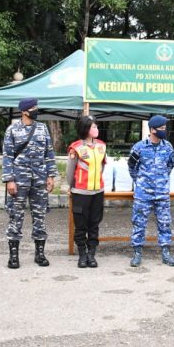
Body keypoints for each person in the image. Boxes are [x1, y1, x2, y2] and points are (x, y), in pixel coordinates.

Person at [2, 98, 57, 269]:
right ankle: (13, 256)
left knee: (40, 216)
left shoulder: (42, 128)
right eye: (33, 107)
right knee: (15, 217)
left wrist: (51, 176)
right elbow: (7, 156)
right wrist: (9, 180)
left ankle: (39, 254)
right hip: (19, 180)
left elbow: (49, 153)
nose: (36, 109)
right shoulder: (12, 129)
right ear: (24, 111)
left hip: (39, 179)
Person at [127, 115, 174, 267]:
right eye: (161, 128)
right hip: (143, 194)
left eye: (164, 128)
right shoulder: (139, 147)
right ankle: (137, 252)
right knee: (139, 223)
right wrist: (141, 182)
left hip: (162, 193)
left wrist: (160, 180)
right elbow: (131, 168)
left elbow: (170, 165)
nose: (164, 130)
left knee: (165, 223)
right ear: (152, 130)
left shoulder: (168, 147)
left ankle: (166, 253)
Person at [66, 115, 107, 269]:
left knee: (94, 224)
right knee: (81, 225)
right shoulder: (75, 147)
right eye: (93, 127)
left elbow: (103, 166)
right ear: (85, 129)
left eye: (96, 126)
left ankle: (91, 254)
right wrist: (72, 187)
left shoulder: (102, 146)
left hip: (98, 192)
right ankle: (82, 254)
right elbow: (70, 171)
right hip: (80, 192)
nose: (96, 129)